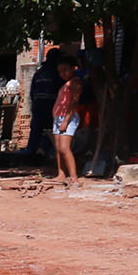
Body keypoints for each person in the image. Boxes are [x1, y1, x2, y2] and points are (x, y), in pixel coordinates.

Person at [27, 48, 67, 159]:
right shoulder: (56, 73)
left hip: (38, 106)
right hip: (51, 106)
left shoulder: (39, 73)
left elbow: (32, 92)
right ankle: (48, 153)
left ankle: (32, 152)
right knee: (51, 131)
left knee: (36, 130)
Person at [49, 55, 83, 186]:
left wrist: (65, 122)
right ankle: (61, 174)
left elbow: (73, 103)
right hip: (58, 118)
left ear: (73, 68)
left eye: (65, 70)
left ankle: (74, 177)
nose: (62, 73)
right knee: (58, 148)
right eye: (60, 71)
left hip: (67, 118)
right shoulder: (66, 83)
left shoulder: (75, 82)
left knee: (64, 148)